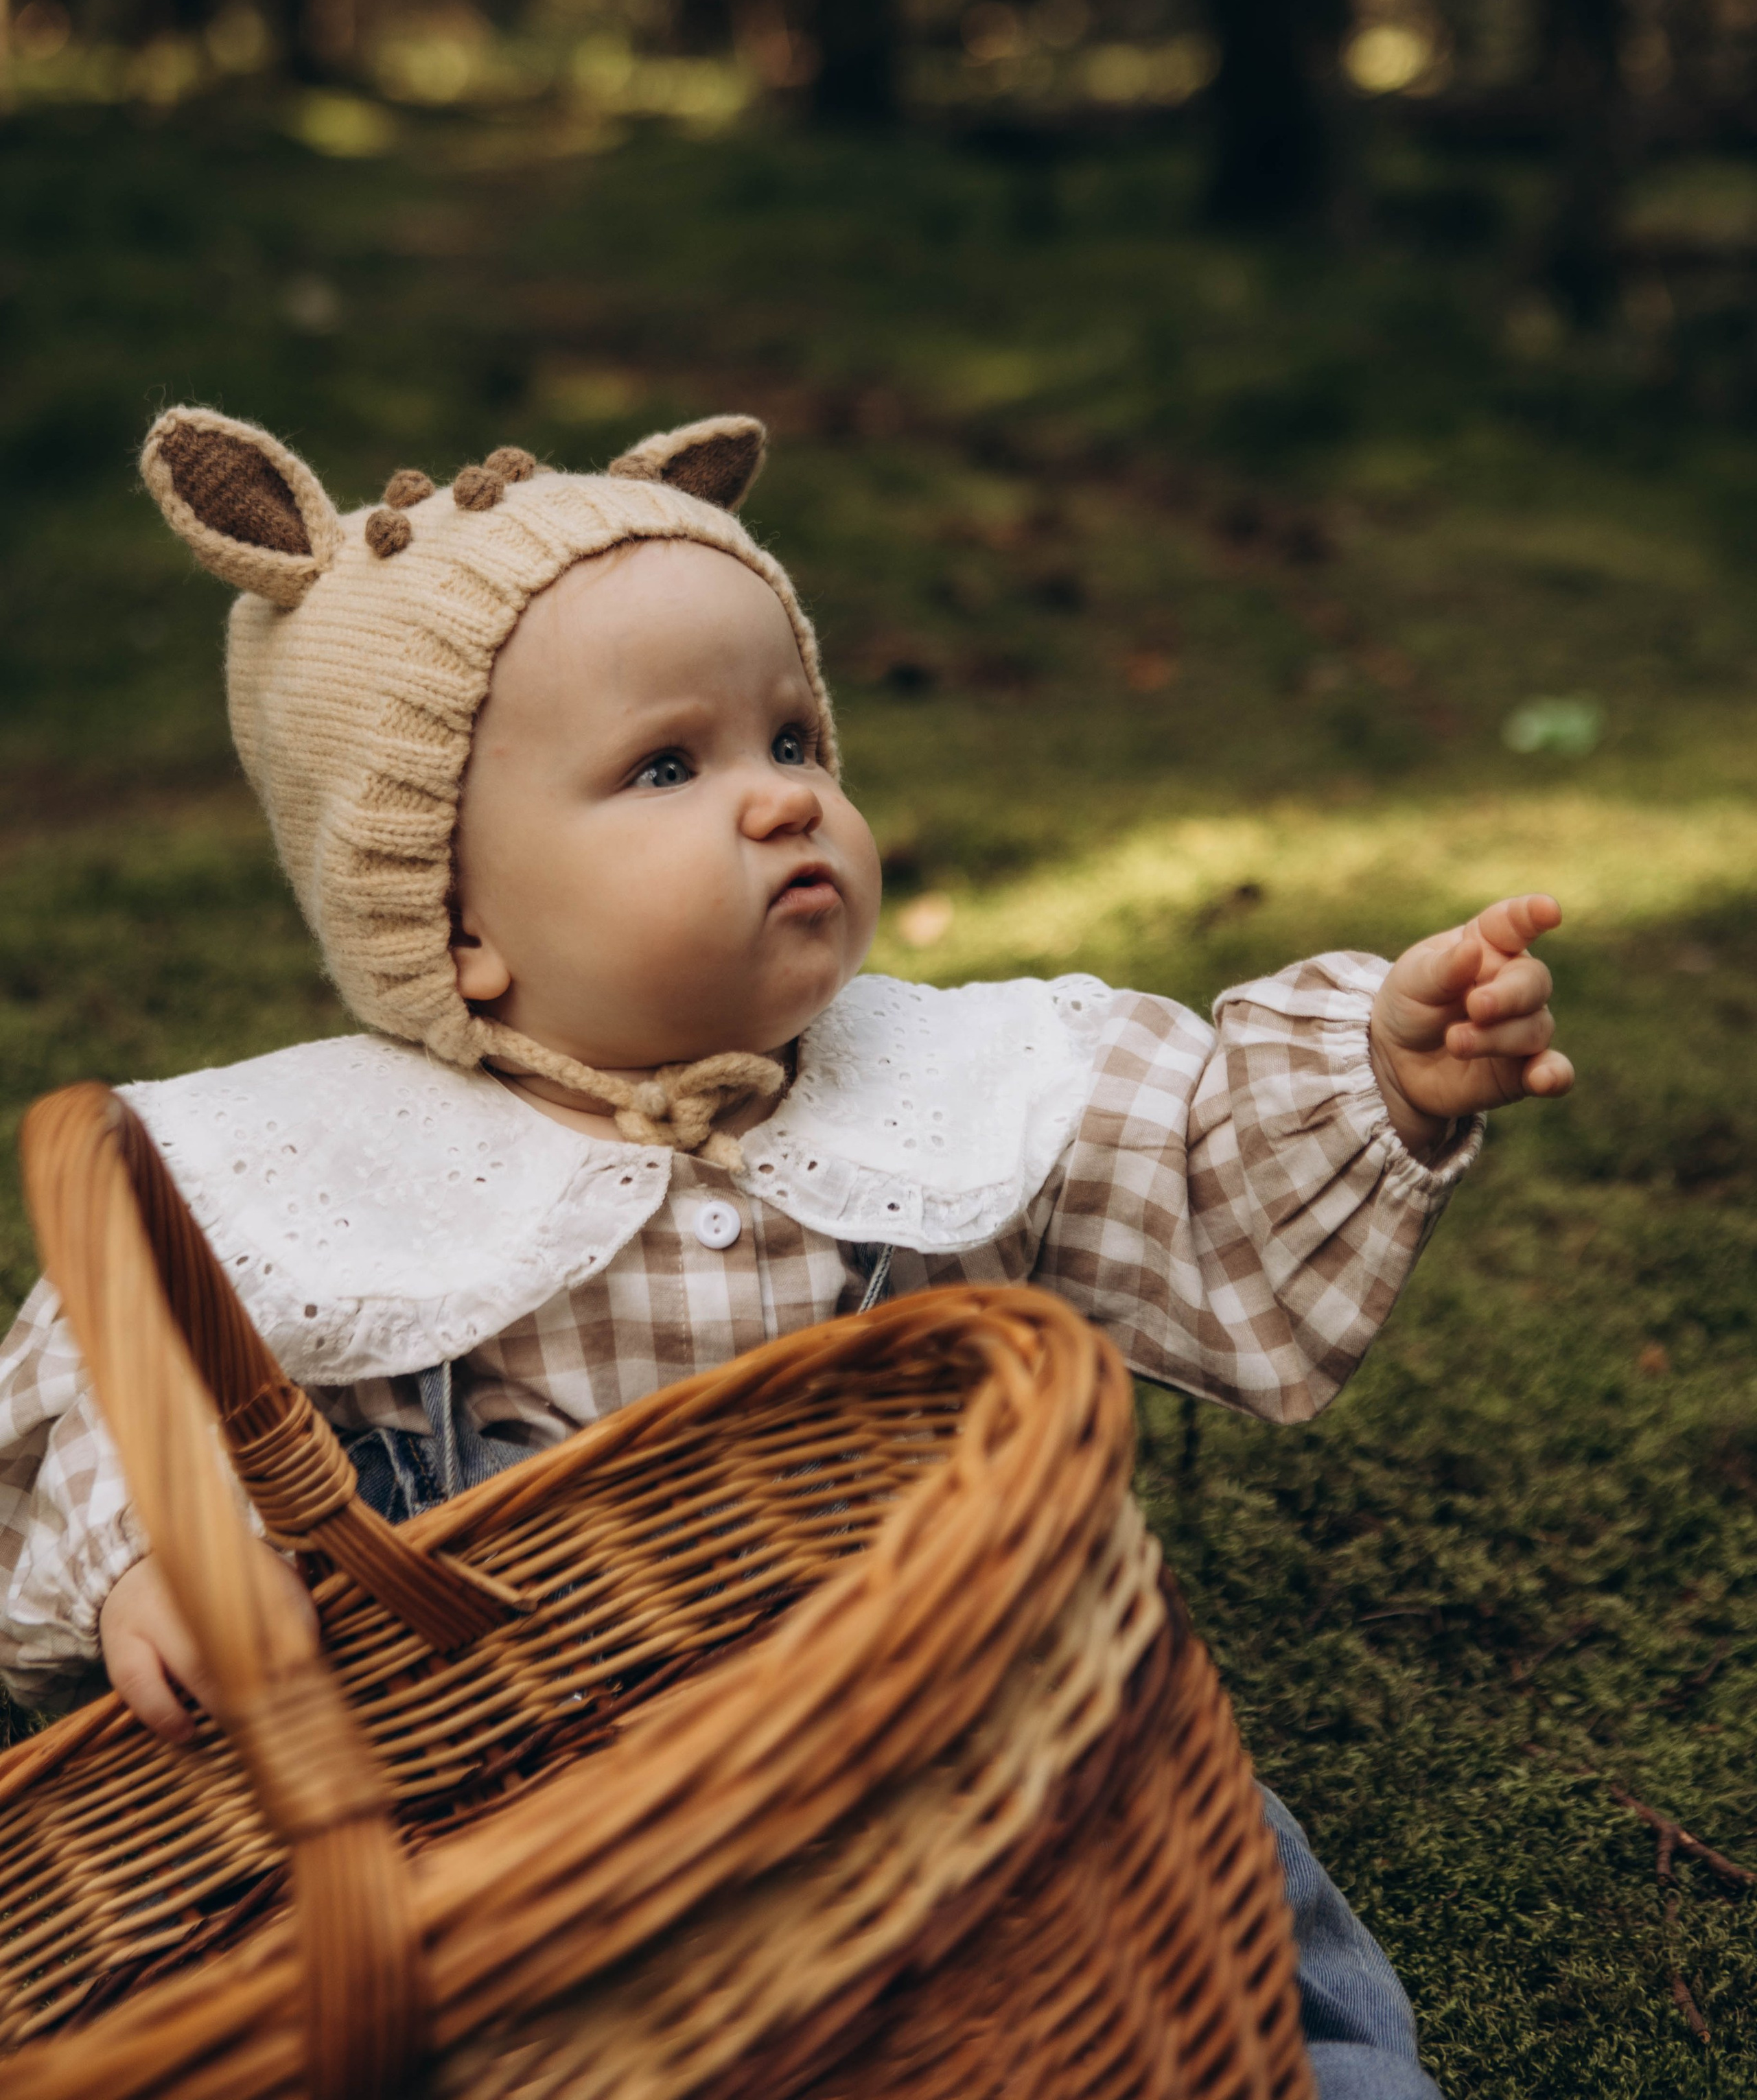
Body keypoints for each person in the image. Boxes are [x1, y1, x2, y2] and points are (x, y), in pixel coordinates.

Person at [0, 407, 1572, 2097]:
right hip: (558, 1806)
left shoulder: (944, 1076)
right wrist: (171, 1548)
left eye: (796, 741)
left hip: (971, 1703)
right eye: (669, 768)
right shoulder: (318, 1160)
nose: (779, 805)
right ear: (448, 922)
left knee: (1211, 1888)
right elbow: (129, 1351)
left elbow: (1183, 1157)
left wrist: (1383, 1078)